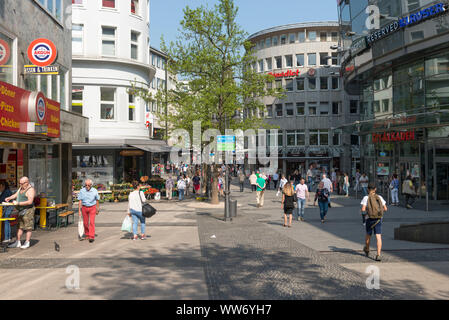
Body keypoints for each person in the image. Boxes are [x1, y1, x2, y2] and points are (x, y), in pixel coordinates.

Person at [6, 177, 36, 249]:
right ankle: (18, 242)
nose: (20, 185)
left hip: (28, 210)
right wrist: (9, 198)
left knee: (28, 227)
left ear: (27, 183)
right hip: (21, 210)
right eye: (20, 183)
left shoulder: (30, 190)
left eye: (22, 184)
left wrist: (18, 203)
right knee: (19, 226)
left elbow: (30, 201)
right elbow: (16, 195)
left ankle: (27, 242)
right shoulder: (21, 188)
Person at [361, 183, 387, 261]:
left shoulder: (366, 197)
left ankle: (367, 249)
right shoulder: (379, 197)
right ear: (375, 189)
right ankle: (378, 254)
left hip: (369, 219)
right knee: (378, 236)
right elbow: (385, 209)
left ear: (368, 189)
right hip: (378, 219)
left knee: (368, 235)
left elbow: (363, 209)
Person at [77, 179, 100, 243]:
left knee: (92, 222)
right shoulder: (82, 191)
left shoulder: (94, 191)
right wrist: (79, 210)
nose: (87, 186)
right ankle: (87, 234)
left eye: (88, 185)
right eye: (86, 185)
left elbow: (97, 200)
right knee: (85, 223)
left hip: (92, 207)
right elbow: (80, 201)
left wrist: (97, 209)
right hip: (84, 208)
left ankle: (91, 236)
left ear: (91, 185)